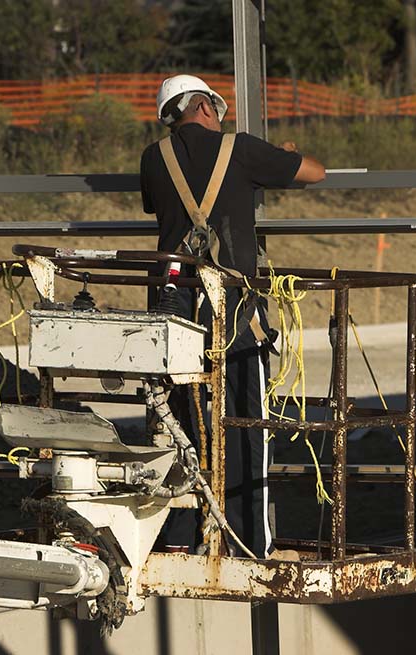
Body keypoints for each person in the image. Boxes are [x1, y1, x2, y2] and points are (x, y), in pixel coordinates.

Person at [140, 75, 325, 558]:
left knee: (175, 420)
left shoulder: (152, 157)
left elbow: (164, 206)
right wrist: (278, 154)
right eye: (217, 109)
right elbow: (315, 172)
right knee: (245, 420)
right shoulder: (239, 149)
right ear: (202, 105)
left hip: (171, 304)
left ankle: (178, 538)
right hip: (234, 307)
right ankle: (247, 542)